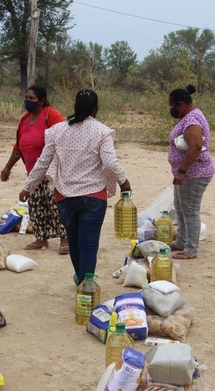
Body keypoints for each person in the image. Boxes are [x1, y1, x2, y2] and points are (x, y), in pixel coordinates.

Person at [18, 89, 131, 285]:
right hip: (93, 197)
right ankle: (86, 284)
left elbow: (43, 162)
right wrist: (123, 181)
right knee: (88, 245)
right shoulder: (102, 131)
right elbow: (110, 162)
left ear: (75, 107)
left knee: (75, 242)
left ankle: (81, 279)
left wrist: (28, 187)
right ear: (96, 109)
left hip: (65, 198)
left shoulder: (57, 131)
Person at [0, 85, 69, 254]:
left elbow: (64, 135)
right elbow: (18, 146)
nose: (27, 101)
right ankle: (41, 239)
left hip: (52, 170)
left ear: (42, 100)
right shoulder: (25, 120)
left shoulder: (51, 115)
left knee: (56, 205)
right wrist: (8, 167)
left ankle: (65, 239)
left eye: (31, 98)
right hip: (33, 171)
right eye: (26, 98)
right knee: (36, 205)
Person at [167, 85, 215, 260]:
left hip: (194, 173)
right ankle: (181, 240)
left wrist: (181, 171)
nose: (172, 110)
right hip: (187, 173)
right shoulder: (188, 117)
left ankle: (191, 249)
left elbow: (195, 147)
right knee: (180, 207)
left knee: (190, 210)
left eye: (172, 107)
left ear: (180, 105)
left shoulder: (193, 121)